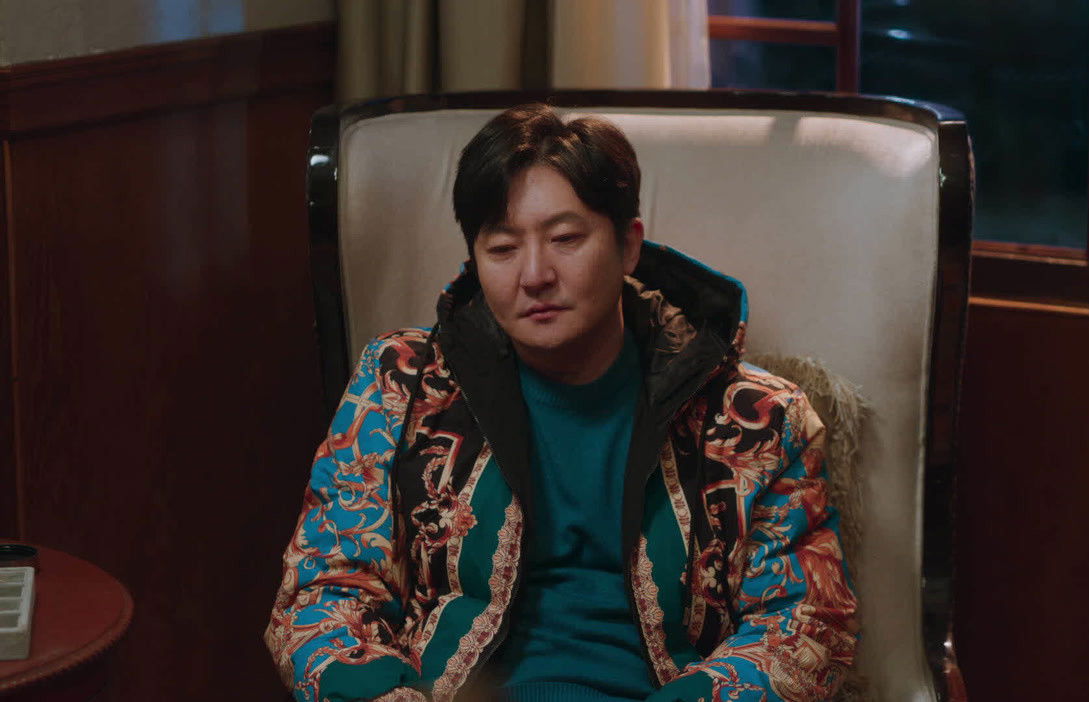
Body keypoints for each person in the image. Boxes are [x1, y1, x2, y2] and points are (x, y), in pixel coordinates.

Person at [264, 104, 858, 702]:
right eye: (502, 247)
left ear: (629, 246)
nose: (534, 275)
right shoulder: (402, 384)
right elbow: (323, 593)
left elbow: (806, 624)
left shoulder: (757, 419)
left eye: (566, 239)